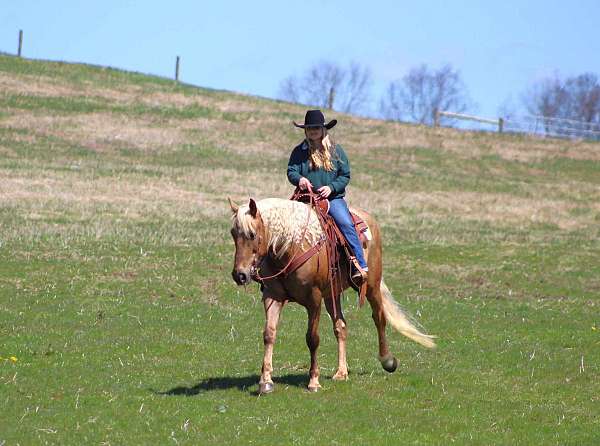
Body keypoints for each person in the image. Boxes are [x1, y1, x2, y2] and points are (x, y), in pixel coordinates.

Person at [287, 109, 368, 282]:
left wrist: (331, 188)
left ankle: (359, 264)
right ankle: (273, 273)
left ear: (323, 129)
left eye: (316, 127)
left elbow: (345, 175)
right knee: (284, 225)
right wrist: (300, 179)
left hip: (332, 199)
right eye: (309, 128)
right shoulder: (298, 151)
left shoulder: (336, 151)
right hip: (305, 197)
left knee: (345, 223)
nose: (312, 131)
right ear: (305, 130)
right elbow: (291, 171)